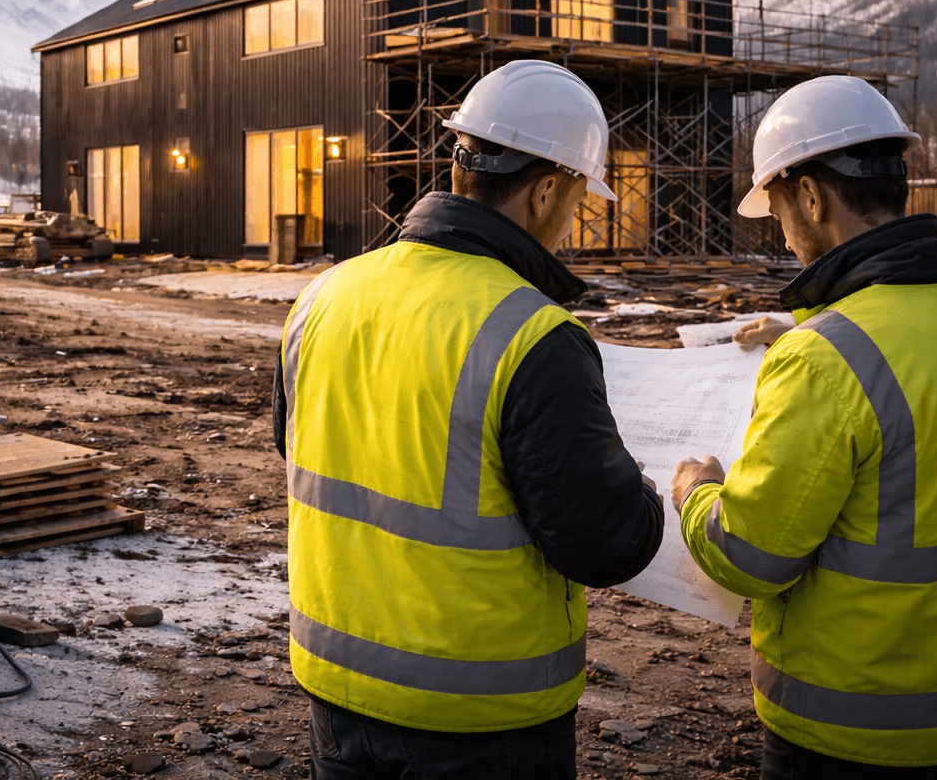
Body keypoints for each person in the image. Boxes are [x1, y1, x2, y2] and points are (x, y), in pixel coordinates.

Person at [273, 60, 664, 779]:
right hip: (477, 717)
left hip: (336, 684)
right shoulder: (533, 335)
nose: (573, 220)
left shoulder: (324, 295)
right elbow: (603, 543)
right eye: (578, 197)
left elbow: (304, 448)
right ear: (546, 190)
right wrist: (645, 489)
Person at [671, 75, 937, 777]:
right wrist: (811, 333)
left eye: (778, 210)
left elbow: (750, 558)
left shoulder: (826, 362)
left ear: (811, 197)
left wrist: (697, 494)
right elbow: (931, 400)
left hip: (852, 734)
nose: (782, 234)